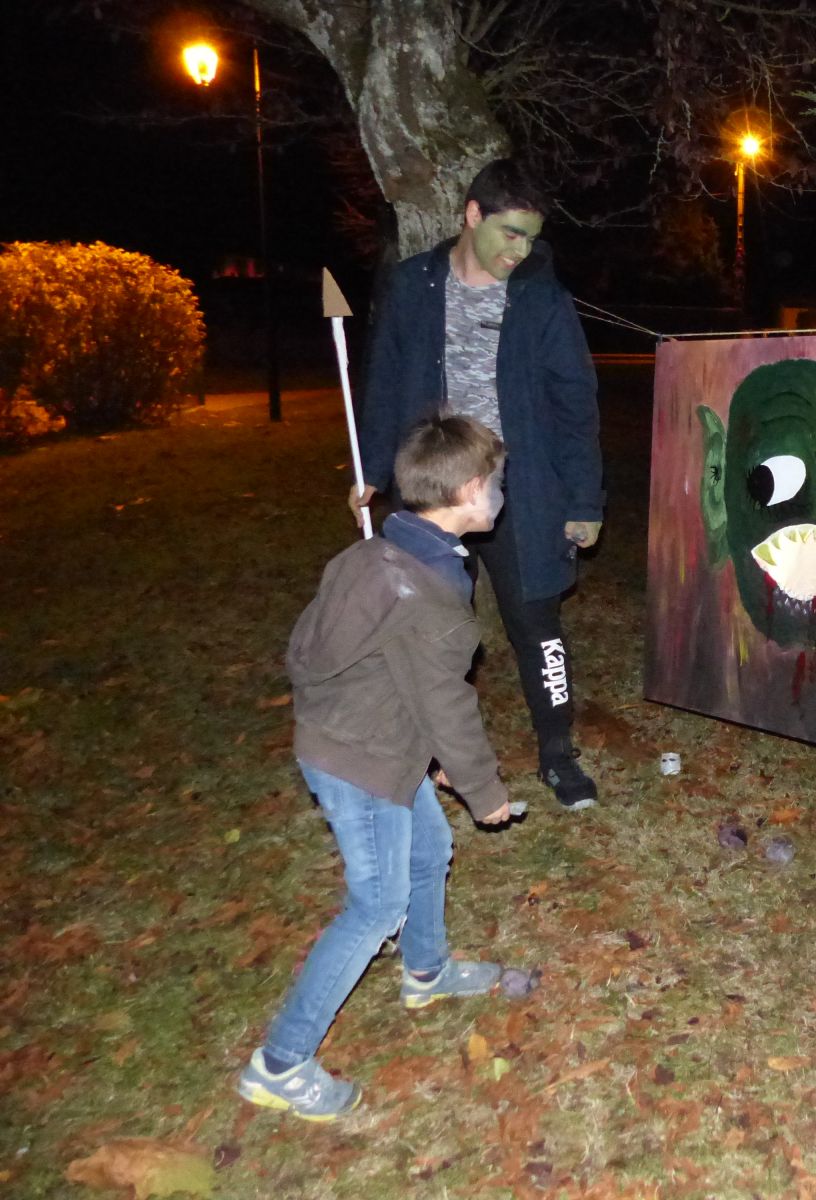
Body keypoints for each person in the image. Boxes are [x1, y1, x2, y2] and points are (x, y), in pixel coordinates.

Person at [238, 415, 515, 1121]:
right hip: (360, 757)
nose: (501, 494)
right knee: (375, 905)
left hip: (366, 737)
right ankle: (280, 1063)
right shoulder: (426, 592)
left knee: (429, 849)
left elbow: (387, 670)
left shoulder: (376, 555)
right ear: (470, 490)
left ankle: (426, 970)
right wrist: (481, 787)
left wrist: (430, 759)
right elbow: (447, 700)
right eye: (497, 483)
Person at [352, 158, 604, 811]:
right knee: (417, 623)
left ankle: (558, 755)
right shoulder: (412, 285)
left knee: (537, 623)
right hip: (432, 487)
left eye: (530, 238)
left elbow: (575, 404)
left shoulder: (542, 298)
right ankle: (421, 755)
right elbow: (384, 382)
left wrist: (583, 499)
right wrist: (372, 471)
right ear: (472, 215)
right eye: (509, 233)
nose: (519, 251)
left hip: (519, 489)